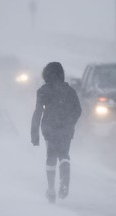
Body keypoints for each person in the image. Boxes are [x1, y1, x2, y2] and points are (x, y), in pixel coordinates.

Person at [31, 62, 82, 203]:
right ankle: (65, 180)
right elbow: (78, 110)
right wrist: (70, 122)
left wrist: (34, 134)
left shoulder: (43, 91)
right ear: (61, 74)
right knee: (64, 154)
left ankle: (51, 189)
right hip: (66, 127)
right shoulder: (70, 90)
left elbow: (38, 112)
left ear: (46, 75)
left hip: (49, 127)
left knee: (51, 155)